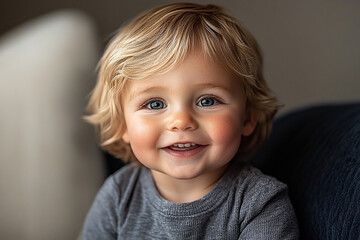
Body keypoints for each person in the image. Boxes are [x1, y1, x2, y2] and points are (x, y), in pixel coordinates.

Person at [82, 3, 299, 239]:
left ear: (247, 117)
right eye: (155, 104)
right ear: (122, 124)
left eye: (207, 101)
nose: (181, 121)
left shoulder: (259, 203)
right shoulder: (118, 196)